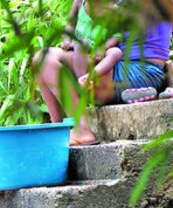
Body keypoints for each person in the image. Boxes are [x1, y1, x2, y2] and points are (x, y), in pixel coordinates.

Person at [34, 8, 172, 145]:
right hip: (118, 69)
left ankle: (81, 129)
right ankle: (57, 128)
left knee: (46, 58)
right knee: (39, 60)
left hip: (138, 73)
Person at [63, 0, 124, 92]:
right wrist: (66, 40)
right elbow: (71, 24)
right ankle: (82, 83)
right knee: (81, 43)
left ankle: (88, 78)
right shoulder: (79, 2)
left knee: (116, 52)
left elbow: (116, 35)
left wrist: (103, 47)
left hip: (99, 48)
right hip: (80, 44)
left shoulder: (114, 10)